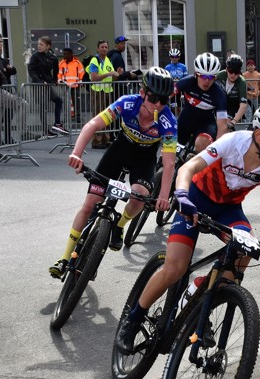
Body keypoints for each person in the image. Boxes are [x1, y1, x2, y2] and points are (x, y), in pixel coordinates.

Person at [115, 102, 260, 354]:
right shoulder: (233, 142)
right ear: (259, 135)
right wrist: (181, 195)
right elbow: (189, 167)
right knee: (174, 268)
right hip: (195, 199)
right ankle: (133, 319)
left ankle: (202, 296)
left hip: (227, 209)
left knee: (247, 247)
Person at [49, 67, 177, 278]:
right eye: (153, 97)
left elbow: (169, 164)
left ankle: (120, 225)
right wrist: (77, 154)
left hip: (144, 158)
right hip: (120, 150)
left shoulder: (168, 121)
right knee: (91, 203)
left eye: (163, 100)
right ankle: (64, 258)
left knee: (140, 196)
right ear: (143, 92)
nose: (157, 104)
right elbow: (93, 125)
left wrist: (164, 196)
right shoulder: (127, 102)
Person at [173, 52, 230, 154]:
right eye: (203, 76)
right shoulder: (187, 82)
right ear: (196, 74)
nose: (207, 81)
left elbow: (222, 126)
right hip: (185, 120)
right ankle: (161, 164)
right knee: (169, 146)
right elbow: (165, 96)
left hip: (206, 124)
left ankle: (194, 163)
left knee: (202, 144)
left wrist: (218, 149)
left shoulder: (219, 94)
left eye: (211, 77)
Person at [28, 36, 69, 137]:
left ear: (48, 46)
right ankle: (45, 130)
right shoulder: (35, 56)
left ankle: (57, 124)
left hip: (47, 84)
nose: (39, 46)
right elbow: (31, 71)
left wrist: (54, 80)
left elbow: (56, 70)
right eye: (38, 44)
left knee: (58, 100)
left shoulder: (52, 57)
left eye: (41, 44)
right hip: (38, 85)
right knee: (43, 106)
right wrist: (39, 81)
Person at [87, 40, 118, 149]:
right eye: (102, 47)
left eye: (106, 47)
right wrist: (108, 74)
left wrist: (117, 73)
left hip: (107, 91)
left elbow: (113, 77)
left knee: (107, 115)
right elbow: (93, 77)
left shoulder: (108, 60)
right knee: (98, 115)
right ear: (97, 49)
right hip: (97, 91)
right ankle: (96, 141)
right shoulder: (95, 60)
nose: (104, 49)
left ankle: (106, 139)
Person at [0, 32, 18, 145]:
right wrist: (6, 70)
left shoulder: (2, 59)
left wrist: (8, 69)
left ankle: (7, 137)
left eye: (0, 41)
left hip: (7, 90)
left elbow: (13, 70)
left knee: (8, 116)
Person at [215, 54, 248, 130]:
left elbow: (243, 105)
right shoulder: (220, 76)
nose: (233, 75)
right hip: (220, 105)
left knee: (225, 125)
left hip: (233, 107)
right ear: (226, 69)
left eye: (236, 72)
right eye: (230, 71)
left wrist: (233, 122)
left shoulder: (242, 82)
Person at [58, 47, 86, 124]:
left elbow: (82, 73)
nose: (64, 55)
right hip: (65, 86)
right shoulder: (61, 63)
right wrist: (60, 81)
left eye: (66, 54)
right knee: (66, 103)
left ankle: (78, 117)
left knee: (77, 102)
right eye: (64, 54)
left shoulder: (77, 63)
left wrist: (80, 82)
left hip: (76, 86)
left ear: (71, 54)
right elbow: (59, 74)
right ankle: (66, 118)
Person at [165, 48, 188, 117]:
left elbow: (186, 77)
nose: (174, 59)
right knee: (173, 105)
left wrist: (180, 79)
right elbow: (166, 77)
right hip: (172, 89)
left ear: (179, 57)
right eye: (172, 57)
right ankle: (175, 119)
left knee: (180, 104)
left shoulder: (183, 66)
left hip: (180, 88)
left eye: (176, 57)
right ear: (170, 57)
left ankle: (181, 118)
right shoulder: (167, 67)